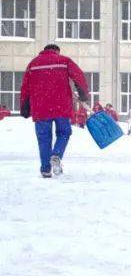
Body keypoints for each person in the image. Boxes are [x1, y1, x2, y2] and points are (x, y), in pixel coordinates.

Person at [19, 43, 90, 177]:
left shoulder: (33, 64)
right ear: (56, 51)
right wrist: (83, 94)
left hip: (40, 107)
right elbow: (78, 76)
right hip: (61, 105)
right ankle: (56, 155)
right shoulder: (64, 61)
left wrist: (24, 106)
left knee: (43, 138)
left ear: (44, 50)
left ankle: (46, 169)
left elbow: (25, 87)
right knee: (64, 133)